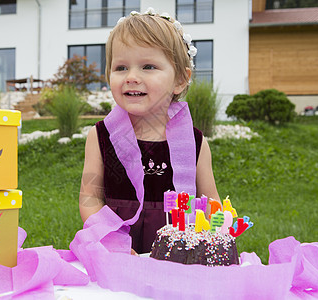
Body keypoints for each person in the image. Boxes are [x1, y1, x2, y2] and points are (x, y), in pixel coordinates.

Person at [78, 8, 220, 254]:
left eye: (148, 66)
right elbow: (90, 198)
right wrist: (111, 241)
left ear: (179, 80)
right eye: (121, 68)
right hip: (117, 252)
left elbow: (212, 202)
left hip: (178, 255)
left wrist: (213, 234)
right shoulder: (101, 136)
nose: (131, 77)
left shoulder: (195, 143)